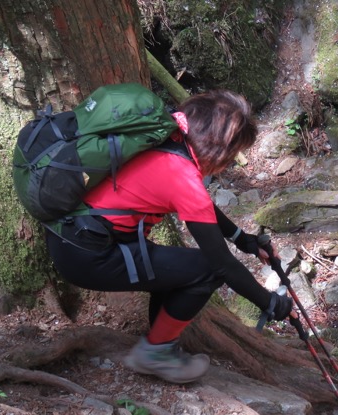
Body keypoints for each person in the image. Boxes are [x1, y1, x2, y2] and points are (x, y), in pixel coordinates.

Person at [45, 89, 293, 384]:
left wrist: (243, 239)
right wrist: (269, 303)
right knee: (204, 271)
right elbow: (222, 265)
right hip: (88, 255)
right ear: (219, 151)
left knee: (174, 267)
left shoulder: (166, 131)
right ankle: (155, 352)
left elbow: (201, 205)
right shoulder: (183, 178)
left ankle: (160, 342)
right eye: (233, 154)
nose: (229, 163)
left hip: (70, 235)